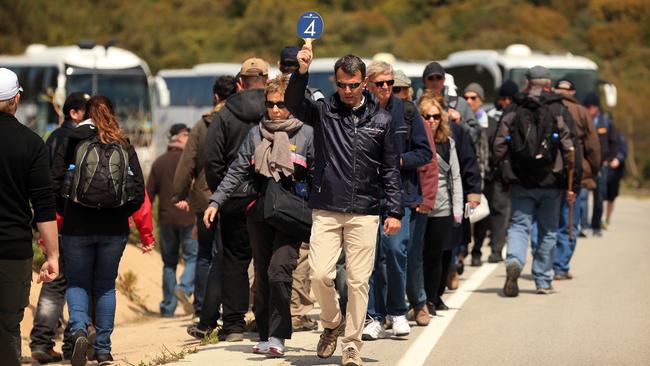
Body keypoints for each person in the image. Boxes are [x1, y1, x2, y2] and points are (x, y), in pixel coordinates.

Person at [287, 47, 402, 366]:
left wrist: (394, 210)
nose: (347, 91)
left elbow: (391, 168)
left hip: (365, 211)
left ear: (364, 82)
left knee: (357, 281)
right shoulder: (324, 111)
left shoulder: (382, 119)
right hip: (326, 206)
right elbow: (293, 103)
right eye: (342, 85)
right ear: (335, 82)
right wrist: (301, 72)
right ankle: (331, 323)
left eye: (353, 85)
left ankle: (351, 344)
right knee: (320, 274)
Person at [204, 75, 314, 357]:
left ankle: (279, 335)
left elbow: (320, 175)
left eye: (281, 104)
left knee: (279, 273)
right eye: (271, 104)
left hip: (291, 214)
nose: (275, 110)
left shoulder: (307, 134)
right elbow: (236, 171)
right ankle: (265, 334)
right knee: (262, 278)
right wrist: (216, 201)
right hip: (259, 213)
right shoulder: (255, 134)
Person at [51, 95, 145, 365]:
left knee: (78, 282)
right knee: (105, 287)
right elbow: (138, 191)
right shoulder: (123, 143)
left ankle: (79, 329)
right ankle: (102, 349)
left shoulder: (74, 139)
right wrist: (120, 212)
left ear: (85, 114)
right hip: (113, 227)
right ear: (113, 114)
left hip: (76, 225)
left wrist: (66, 210)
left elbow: (56, 180)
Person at [494, 66, 578, 296]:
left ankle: (514, 263)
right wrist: (574, 183)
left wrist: (503, 171)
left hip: (521, 180)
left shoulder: (515, 106)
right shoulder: (557, 108)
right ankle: (542, 280)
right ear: (549, 84)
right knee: (548, 231)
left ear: (527, 83)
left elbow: (499, 142)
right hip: (551, 181)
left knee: (520, 226)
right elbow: (570, 148)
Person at [363, 61, 431, 341]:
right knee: (370, 259)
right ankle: (374, 317)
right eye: (380, 83)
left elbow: (425, 152)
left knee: (394, 251)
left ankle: (398, 312)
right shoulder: (360, 112)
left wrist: (398, 161)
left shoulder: (408, 111)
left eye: (390, 82)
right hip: (367, 197)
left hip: (401, 195)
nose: (387, 88)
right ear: (367, 84)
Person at [203, 58, 269, 342]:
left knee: (234, 260)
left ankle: (232, 325)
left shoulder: (225, 114)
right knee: (267, 260)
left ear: (240, 82)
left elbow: (212, 160)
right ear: (266, 80)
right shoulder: (275, 111)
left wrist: (222, 193)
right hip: (269, 198)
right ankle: (267, 322)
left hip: (233, 199)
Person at [0, 67, 59, 366]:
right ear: (16, 100)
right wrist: (53, 255)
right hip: (12, 249)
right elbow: (44, 205)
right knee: (8, 325)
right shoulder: (32, 143)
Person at [30, 91, 89, 364]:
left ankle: (42, 342)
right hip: (74, 220)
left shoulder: (51, 138)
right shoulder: (81, 138)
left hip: (51, 220)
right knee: (75, 281)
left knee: (54, 284)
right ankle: (70, 345)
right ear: (75, 113)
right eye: (86, 112)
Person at [277, 45, 322, 332]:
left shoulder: (270, 93)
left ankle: (276, 311)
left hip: (276, 184)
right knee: (301, 252)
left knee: (278, 252)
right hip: (301, 184)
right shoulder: (309, 95)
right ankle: (298, 310)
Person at [417, 93, 463, 316]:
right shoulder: (415, 141)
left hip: (442, 208)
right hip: (418, 207)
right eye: (426, 116)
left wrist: (458, 210)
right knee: (418, 256)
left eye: (436, 116)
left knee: (437, 256)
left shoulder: (448, 143)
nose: (432, 121)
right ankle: (418, 299)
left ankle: (432, 298)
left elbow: (456, 177)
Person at [552, 79, 600, 280]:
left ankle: (544, 263)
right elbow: (592, 145)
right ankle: (561, 267)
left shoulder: (548, 107)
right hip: (575, 171)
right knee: (570, 221)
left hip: (550, 172)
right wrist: (593, 169)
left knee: (548, 221)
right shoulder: (581, 111)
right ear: (572, 92)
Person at [147, 124, 197, 316]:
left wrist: (144, 221)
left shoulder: (159, 162)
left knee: (169, 263)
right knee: (193, 257)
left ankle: (168, 307)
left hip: (166, 219)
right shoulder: (190, 161)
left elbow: (148, 194)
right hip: (189, 217)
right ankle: (184, 288)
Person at [484, 80, 518, 263]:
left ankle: (497, 249)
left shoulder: (500, 116)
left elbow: (496, 145)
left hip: (501, 169)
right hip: (518, 172)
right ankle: (505, 249)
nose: (504, 102)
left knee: (500, 211)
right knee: (510, 212)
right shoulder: (521, 113)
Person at [463, 83, 491, 266]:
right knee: (465, 214)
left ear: (481, 100)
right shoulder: (460, 120)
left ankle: (477, 250)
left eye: (474, 98)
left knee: (481, 213)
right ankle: (462, 249)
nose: (469, 101)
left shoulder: (487, 121)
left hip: (481, 173)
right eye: (466, 97)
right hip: (464, 172)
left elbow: (486, 152)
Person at [583, 92, 619, 237]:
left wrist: (609, 160)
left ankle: (596, 226)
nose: (588, 109)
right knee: (583, 198)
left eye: (590, 107)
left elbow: (614, 143)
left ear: (596, 108)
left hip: (602, 166)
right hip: (587, 165)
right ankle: (583, 226)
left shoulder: (606, 122)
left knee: (599, 198)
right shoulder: (584, 120)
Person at [605, 132, 627, 227]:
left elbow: (624, 151)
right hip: (602, 170)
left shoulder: (619, 136)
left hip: (614, 172)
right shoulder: (600, 133)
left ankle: (607, 219)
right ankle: (596, 220)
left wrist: (617, 159)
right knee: (599, 198)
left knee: (611, 197)